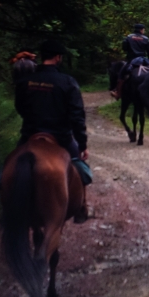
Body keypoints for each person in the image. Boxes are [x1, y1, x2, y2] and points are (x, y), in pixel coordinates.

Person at [15, 39, 91, 221]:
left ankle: (5, 194)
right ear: (58, 58)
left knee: (6, 169)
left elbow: (20, 108)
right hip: (61, 137)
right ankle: (81, 207)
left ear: (42, 57)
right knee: (83, 171)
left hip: (30, 135)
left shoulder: (25, 81)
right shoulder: (67, 82)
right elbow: (77, 116)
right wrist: (82, 144)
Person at [111, 23, 149, 99]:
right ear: (141, 30)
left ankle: (118, 92)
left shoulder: (128, 37)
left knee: (121, 75)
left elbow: (124, 48)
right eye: (143, 29)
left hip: (131, 60)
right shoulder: (146, 38)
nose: (144, 31)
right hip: (143, 60)